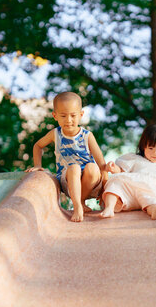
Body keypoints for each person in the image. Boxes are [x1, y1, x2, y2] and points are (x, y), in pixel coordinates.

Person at [25, 92, 107, 222]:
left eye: (73, 115)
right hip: (68, 181)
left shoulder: (87, 136)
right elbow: (38, 146)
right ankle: (78, 206)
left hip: (90, 182)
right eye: (63, 116)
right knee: (73, 168)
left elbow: (102, 165)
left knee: (92, 167)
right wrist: (38, 165)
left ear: (81, 115)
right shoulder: (55, 134)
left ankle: (81, 201)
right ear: (55, 116)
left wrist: (104, 190)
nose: (68, 120)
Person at [99, 123, 156, 220]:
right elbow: (121, 171)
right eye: (150, 148)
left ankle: (154, 210)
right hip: (129, 195)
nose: (155, 153)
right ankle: (109, 208)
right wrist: (114, 168)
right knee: (115, 182)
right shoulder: (135, 159)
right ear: (143, 147)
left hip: (147, 194)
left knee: (150, 198)